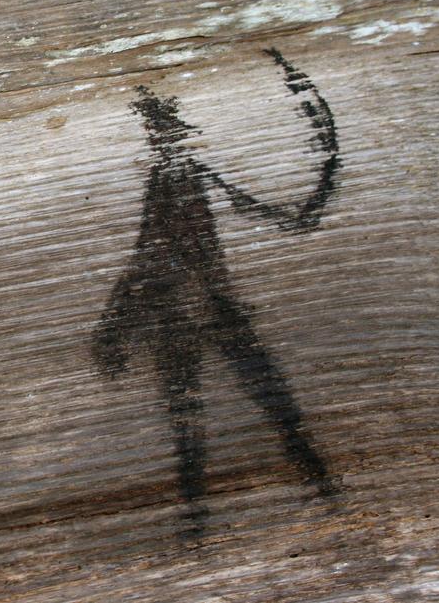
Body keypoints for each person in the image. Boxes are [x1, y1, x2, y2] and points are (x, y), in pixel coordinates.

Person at [92, 49, 341, 537]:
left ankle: (316, 490)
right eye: (164, 132)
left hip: (206, 309)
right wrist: (114, 331)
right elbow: (146, 254)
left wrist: (115, 329)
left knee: (263, 410)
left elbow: (284, 215)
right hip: (184, 315)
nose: (170, 140)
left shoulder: (193, 178)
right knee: (200, 423)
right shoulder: (172, 183)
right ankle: (201, 520)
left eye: (171, 131)